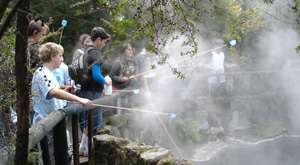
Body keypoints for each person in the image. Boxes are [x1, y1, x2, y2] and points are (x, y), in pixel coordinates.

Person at [31, 42, 92, 164]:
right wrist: (80, 100)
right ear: (52, 56)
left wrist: (65, 90)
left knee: (60, 155)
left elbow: (52, 93)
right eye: (60, 56)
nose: (62, 59)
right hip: (45, 124)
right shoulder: (42, 73)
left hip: (54, 123)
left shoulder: (49, 73)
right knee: (50, 158)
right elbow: (53, 92)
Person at [78, 27, 112, 155]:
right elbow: (97, 75)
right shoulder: (96, 53)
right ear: (98, 39)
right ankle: (89, 150)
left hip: (84, 90)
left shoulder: (84, 50)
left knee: (87, 121)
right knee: (95, 123)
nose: (104, 45)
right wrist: (106, 81)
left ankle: (82, 147)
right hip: (94, 92)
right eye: (103, 42)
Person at [205, 39, 234, 135]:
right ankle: (212, 122)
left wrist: (229, 66)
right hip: (213, 81)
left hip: (222, 80)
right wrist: (215, 69)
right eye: (219, 45)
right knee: (213, 100)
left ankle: (225, 123)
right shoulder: (211, 54)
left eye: (221, 45)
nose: (220, 47)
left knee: (224, 100)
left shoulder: (222, 54)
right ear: (215, 46)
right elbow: (206, 65)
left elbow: (224, 64)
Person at [110, 43, 138, 114]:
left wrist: (134, 78)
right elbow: (112, 76)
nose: (131, 51)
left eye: (131, 49)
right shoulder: (118, 62)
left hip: (129, 90)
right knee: (118, 113)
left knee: (127, 112)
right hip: (118, 90)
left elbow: (137, 75)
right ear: (123, 51)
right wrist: (120, 79)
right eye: (128, 50)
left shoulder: (134, 62)